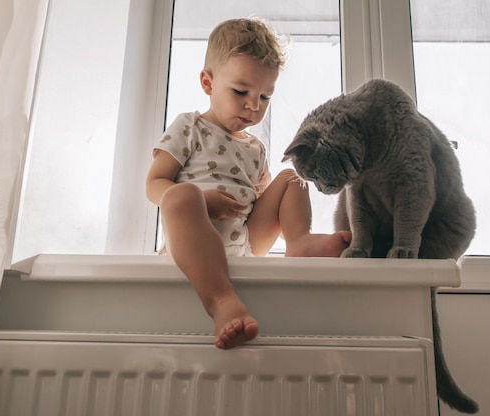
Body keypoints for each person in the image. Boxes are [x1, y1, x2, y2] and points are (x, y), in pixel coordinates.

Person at [145, 18, 351, 350]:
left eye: (265, 96)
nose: (253, 106)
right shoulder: (189, 127)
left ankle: (298, 242)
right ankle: (220, 299)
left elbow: (263, 200)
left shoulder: (255, 149)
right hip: (193, 245)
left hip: (245, 244)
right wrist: (202, 200)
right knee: (180, 196)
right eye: (241, 91)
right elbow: (154, 184)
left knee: (290, 176)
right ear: (208, 82)